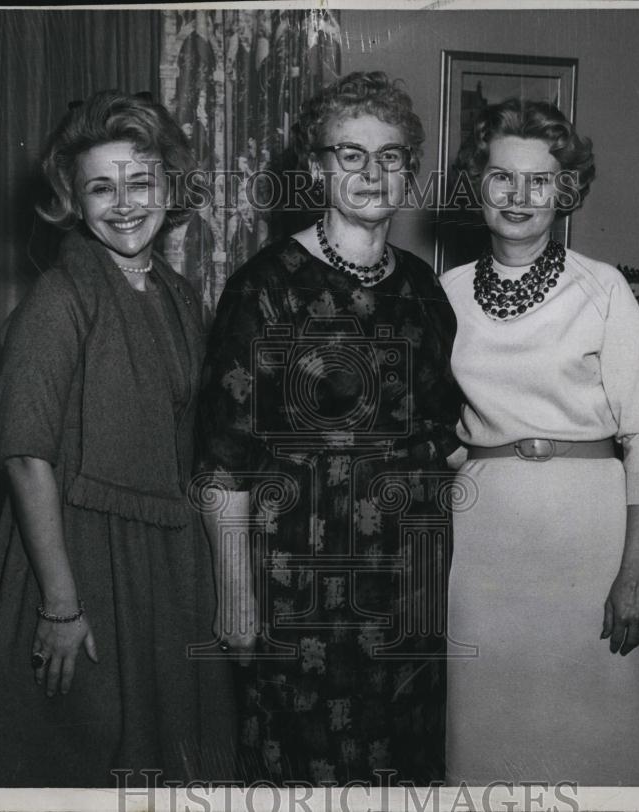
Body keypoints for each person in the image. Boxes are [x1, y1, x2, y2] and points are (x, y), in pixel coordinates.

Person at [195, 71, 463, 785]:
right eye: (351, 154)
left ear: (411, 167)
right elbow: (222, 462)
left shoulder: (424, 289)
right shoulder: (265, 286)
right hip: (301, 584)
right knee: (305, 768)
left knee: (404, 764)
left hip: (409, 580)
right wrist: (235, 592)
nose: (372, 173)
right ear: (316, 168)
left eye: (392, 155)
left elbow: (444, 429)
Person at [0, 90, 234, 787]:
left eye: (140, 181)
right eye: (99, 187)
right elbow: (27, 457)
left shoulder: (179, 295)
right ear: (73, 201)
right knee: (76, 765)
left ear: (169, 187)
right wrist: (60, 606)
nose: (123, 203)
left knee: (168, 765)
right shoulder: (61, 297)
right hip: (76, 562)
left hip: (163, 560)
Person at [441, 98, 639, 786]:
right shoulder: (443, 294)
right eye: (502, 177)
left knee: (599, 732)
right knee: (486, 733)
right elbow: (433, 425)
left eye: (539, 181)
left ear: (565, 191)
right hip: (484, 542)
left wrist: (638, 567)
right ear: (477, 182)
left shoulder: (601, 291)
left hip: (589, 541)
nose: (519, 197)